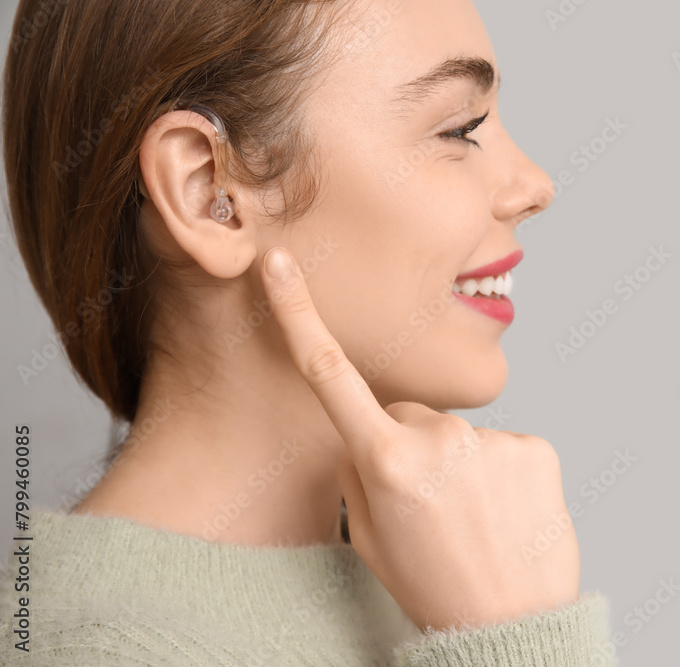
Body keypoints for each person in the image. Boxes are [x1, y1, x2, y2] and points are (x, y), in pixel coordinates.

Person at [0, 0, 616, 664]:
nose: (534, 186)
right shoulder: (95, 653)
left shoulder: (442, 579)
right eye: (460, 129)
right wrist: (518, 643)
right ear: (208, 191)